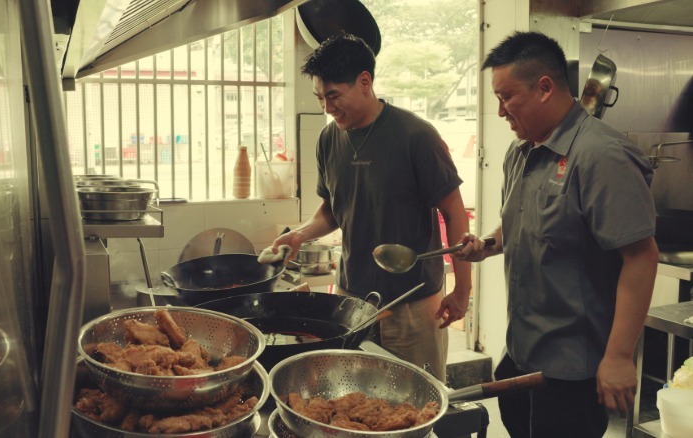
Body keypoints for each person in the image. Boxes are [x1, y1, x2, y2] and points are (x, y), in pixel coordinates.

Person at [459, 31, 659, 437]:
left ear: (545, 88)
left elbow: (641, 256)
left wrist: (619, 356)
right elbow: (523, 222)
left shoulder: (601, 155)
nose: (500, 112)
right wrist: (488, 245)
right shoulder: (522, 151)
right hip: (520, 352)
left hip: (573, 369)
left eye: (506, 97)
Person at [270, 33, 472, 383]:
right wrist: (299, 235)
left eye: (334, 96)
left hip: (413, 304)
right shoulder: (328, 139)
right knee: (356, 402)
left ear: (365, 82)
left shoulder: (415, 136)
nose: (327, 108)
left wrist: (462, 290)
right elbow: (332, 211)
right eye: (320, 98)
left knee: (415, 403)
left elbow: (455, 213)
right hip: (351, 302)